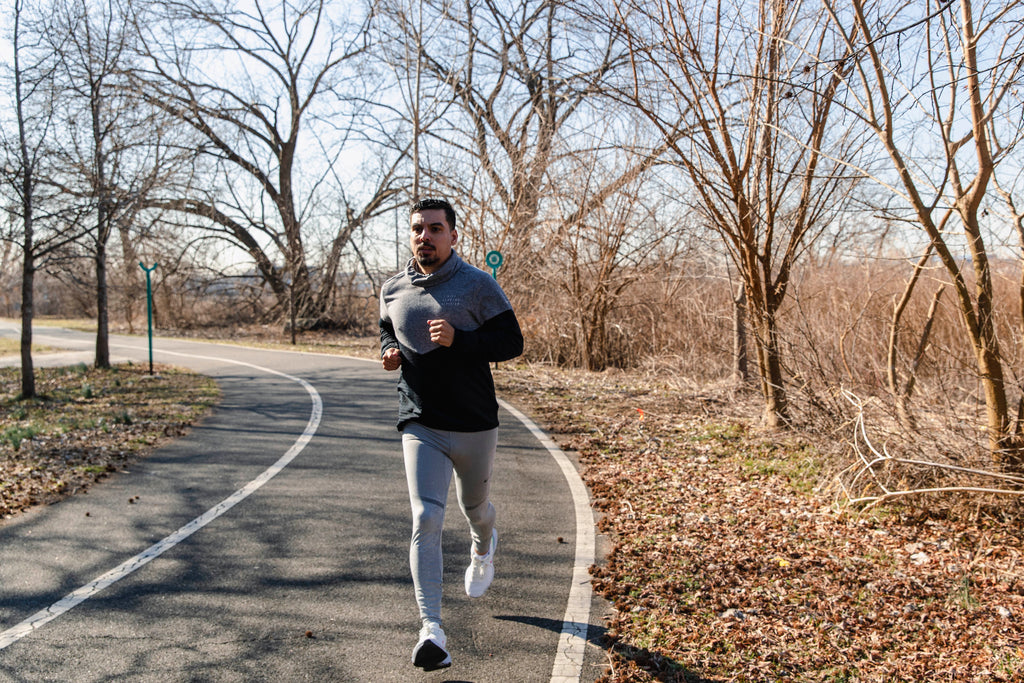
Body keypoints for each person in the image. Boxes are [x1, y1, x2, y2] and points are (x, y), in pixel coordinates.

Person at [379, 198, 524, 671]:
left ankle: (484, 546)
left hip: (475, 423)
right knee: (426, 517)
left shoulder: (478, 285)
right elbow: (388, 327)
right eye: (418, 229)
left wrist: (459, 339)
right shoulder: (393, 288)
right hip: (421, 422)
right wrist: (388, 350)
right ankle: (432, 630)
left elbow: (512, 343)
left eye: (436, 229)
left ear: (453, 236)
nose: (426, 236)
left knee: (474, 509)